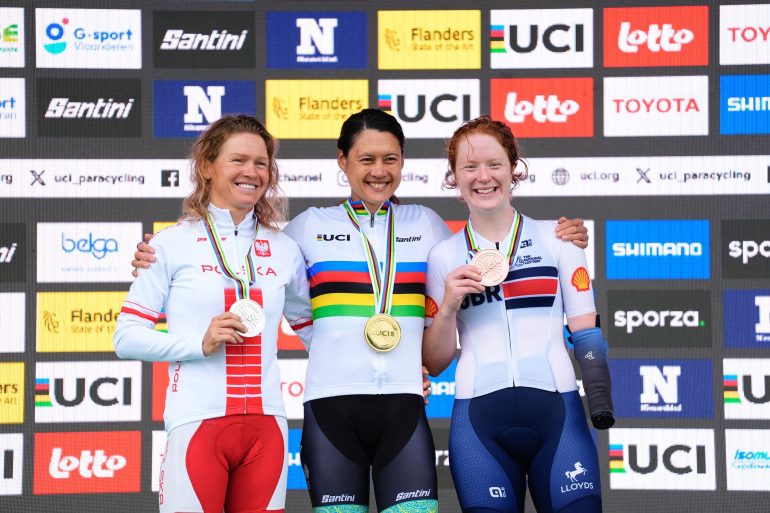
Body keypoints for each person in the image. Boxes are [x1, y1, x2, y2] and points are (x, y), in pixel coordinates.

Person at [132, 109, 590, 513]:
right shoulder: (304, 230)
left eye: (390, 159)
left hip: (404, 411)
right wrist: (158, 254)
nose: (378, 171)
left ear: (403, 162)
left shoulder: (428, 226)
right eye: (366, 159)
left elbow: (488, 242)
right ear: (343, 161)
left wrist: (563, 234)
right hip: (330, 412)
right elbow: (273, 288)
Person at [115, 115, 313, 513]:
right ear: (206, 166)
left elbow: (317, 335)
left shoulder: (285, 248)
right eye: (238, 160)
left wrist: (397, 370)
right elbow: (126, 338)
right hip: (197, 422)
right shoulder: (169, 245)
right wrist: (198, 343)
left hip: (267, 427)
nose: (251, 172)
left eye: (261, 163)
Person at [422, 115, 613, 513]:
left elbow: (586, 331)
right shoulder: (443, 256)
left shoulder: (559, 239)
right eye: (469, 167)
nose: (483, 176)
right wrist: (448, 308)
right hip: (478, 426)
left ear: (514, 169)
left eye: (494, 164)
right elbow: (435, 363)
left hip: (559, 417)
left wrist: (599, 399)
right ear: (454, 178)